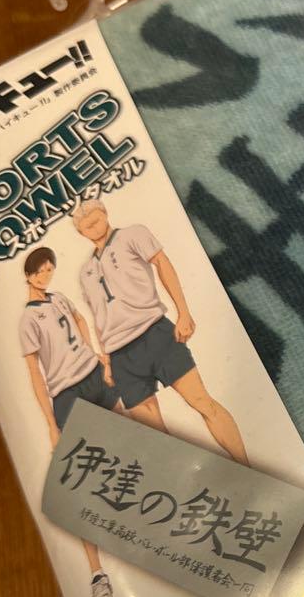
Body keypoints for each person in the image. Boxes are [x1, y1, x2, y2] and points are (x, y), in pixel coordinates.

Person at [72, 199, 249, 466]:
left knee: (201, 401)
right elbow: (99, 315)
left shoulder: (132, 235)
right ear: (81, 233)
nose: (94, 228)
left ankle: (245, 465)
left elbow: (162, 263)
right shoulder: (86, 272)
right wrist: (106, 360)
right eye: (87, 226)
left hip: (155, 334)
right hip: (120, 355)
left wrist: (183, 312)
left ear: (105, 214)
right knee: (155, 435)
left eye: (96, 220)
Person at [19, 247, 118, 597]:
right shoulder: (27, 320)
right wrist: (50, 424)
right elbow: (34, 374)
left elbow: (78, 319)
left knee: (138, 445)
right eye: (40, 271)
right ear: (28, 275)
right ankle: (97, 575)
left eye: (49, 269)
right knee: (79, 480)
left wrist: (97, 354)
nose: (46, 275)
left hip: (93, 376)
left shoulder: (58, 297)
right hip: (67, 394)